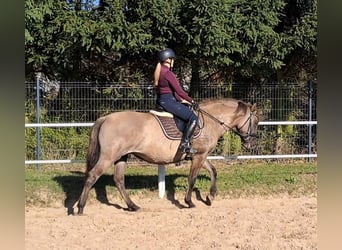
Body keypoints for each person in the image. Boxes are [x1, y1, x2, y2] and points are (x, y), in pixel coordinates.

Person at [153, 48, 199, 156]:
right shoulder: (168, 74)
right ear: (169, 60)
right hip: (169, 102)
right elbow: (179, 91)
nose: (173, 61)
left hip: (162, 100)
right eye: (173, 59)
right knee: (193, 118)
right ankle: (185, 144)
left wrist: (182, 100)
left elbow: (170, 91)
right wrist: (192, 101)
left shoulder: (159, 71)